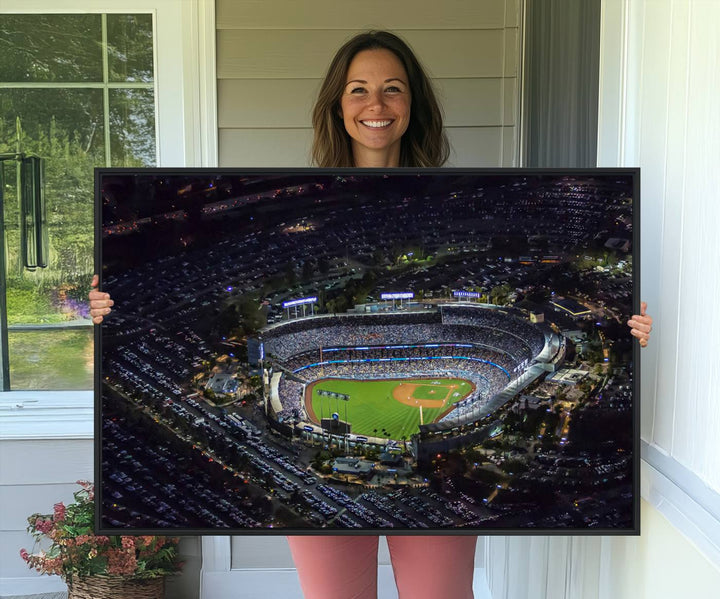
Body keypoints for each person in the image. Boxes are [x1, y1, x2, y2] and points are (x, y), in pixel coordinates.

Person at [89, 30, 653, 599]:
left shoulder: (449, 206)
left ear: (413, 105)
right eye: (358, 90)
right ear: (338, 105)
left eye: (392, 89)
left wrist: (626, 329)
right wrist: (110, 304)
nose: (376, 105)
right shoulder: (300, 215)